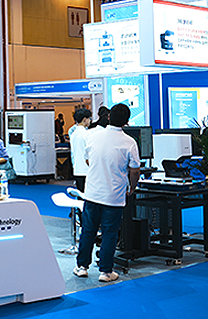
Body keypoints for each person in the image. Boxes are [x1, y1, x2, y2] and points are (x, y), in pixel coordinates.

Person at [73, 103, 140, 283]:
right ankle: (105, 271)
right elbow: (135, 170)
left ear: (109, 117)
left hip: (92, 193)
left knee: (88, 231)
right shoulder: (130, 142)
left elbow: (88, 160)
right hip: (114, 195)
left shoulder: (93, 136)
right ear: (126, 122)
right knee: (110, 233)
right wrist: (132, 187)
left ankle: (82, 267)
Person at [68, 108, 93, 191]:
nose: (90, 121)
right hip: (87, 170)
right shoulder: (87, 134)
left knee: (80, 194)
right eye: (89, 118)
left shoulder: (73, 134)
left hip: (77, 169)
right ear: (84, 119)